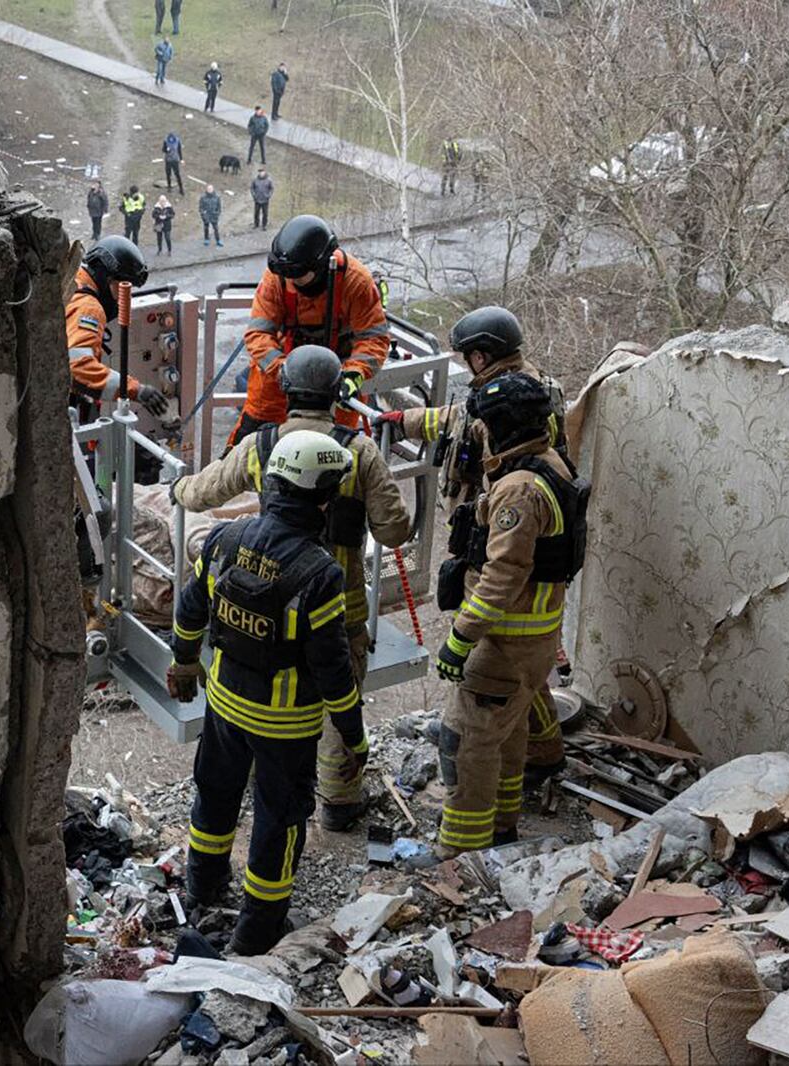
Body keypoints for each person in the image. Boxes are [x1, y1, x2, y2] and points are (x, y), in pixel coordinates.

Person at [172, 346, 412, 831]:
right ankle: (341, 802)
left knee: (266, 692)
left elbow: (202, 492)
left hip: (273, 598)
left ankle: (262, 786)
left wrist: (177, 488)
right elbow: (394, 531)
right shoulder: (359, 450)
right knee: (339, 697)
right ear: (334, 394)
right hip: (339, 607)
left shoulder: (262, 445)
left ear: (287, 392)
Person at [169, 430, 368, 955]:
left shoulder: (223, 540)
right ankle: (257, 931)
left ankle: (203, 887)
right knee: (279, 820)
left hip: (225, 704)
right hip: (285, 725)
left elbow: (190, 611)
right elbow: (333, 672)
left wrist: (185, 662)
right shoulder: (319, 574)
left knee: (215, 791)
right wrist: (354, 738)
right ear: (322, 497)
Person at [374, 306, 569, 784]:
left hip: (502, 555)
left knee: (480, 711)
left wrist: (460, 638)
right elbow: (457, 419)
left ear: (482, 357)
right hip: (526, 585)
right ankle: (544, 758)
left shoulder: (510, 419)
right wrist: (406, 421)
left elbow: (504, 570)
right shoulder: (521, 391)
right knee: (524, 683)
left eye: (467, 357)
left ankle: (465, 838)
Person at [424, 374, 585, 857]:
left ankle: (460, 849)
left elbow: (504, 574)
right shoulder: (551, 462)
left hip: (503, 643)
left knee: (466, 742)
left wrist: (460, 636)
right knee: (509, 733)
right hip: (532, 642)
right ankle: (501, 828)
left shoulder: (518, 490)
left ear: (502, 427)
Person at [230, 214, 388, 449]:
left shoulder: (355, 282)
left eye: (298, 277)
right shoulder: (279, 277)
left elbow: (373, 338)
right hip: (284, 368)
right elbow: (258, 335)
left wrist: (354, 373)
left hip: (338, 374)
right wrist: (281, 370)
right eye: (287, 277)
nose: (291, 282)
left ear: (321, 265)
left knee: (334, 445)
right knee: (252, 434)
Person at [65, 236, 169, 419]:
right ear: (106, 278)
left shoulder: (72, 280)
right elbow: (77, 368)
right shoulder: (89, 307)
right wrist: (137, 390)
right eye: (120, 288)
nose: (122, 299)